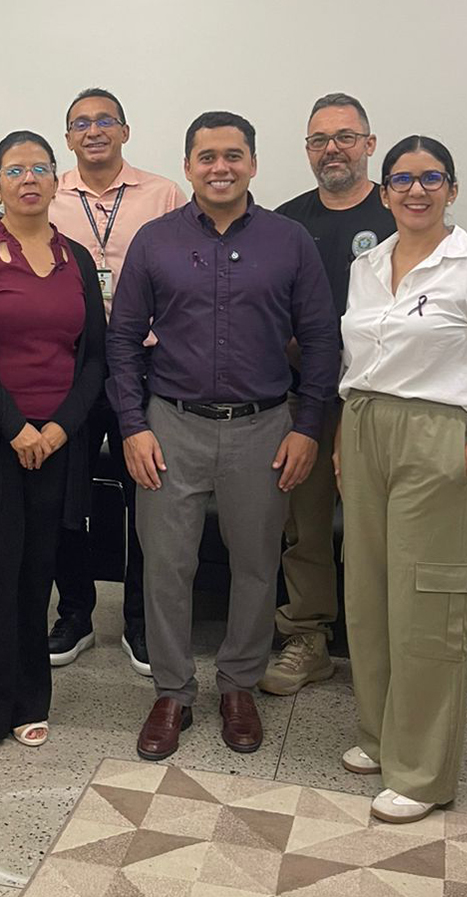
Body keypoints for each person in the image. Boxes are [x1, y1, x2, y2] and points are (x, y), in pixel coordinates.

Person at [107, 111, 339, 761]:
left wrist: (308, 427)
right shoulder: (154, 241)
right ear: (188, 166)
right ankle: (173, 692)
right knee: (166, 565)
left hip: (263, 427)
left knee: (257, 564)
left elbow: (321, 339)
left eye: (233, 155)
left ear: (253, 164)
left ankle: (238, 684)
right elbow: (121, 341)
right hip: (171, 425)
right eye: (206, 156)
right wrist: (133, 426)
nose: (220, 167)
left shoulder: (290, 241)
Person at [336, 136, 467, 823]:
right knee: (368, 593)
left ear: (452, 188)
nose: (416, 191)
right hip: (363, 426)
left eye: (431, 178)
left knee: (429, 602)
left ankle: (421, 772)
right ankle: (379, 736)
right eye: (402, 179)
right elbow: (354, 363)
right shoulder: (366, 265)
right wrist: (343, 439)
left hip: (437, 435)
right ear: (384, 191)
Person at [0, 131, 106, 758]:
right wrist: (16, 426)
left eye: (40, 168)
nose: (29, 179)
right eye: (15, 170)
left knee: (38, 575)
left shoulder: (77, 259)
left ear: (57, 180)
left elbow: (94, 358)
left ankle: (31, 701)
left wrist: (59, 427)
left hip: (57, 443)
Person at [260, 93, 397, 696]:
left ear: (369, 144)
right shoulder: (284, 222)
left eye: (345, 137)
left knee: (381, 527)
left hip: (381, 401)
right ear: (307, 150)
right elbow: (266, 306)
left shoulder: (400, 210)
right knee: (305, 525)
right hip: (307, 399)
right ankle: (307, 637)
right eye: (319, 140)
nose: (332, 149)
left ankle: (384, 645)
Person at [46, 87, 186, 676]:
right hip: (71, 364)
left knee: (147, 497)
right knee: (65, 495)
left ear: (125, 131)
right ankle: (75, 613)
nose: (94, 130)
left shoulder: (163, 194)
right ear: (68, 137)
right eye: (81, 123)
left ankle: (139, 619)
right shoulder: (46, 194)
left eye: (105, 120)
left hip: (146, 365)